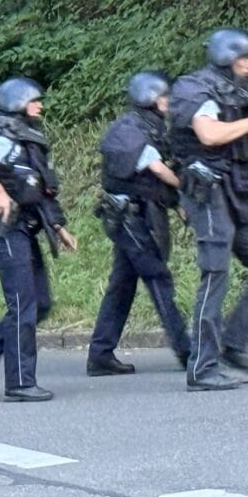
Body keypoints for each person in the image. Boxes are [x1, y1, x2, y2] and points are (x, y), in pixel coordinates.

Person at [168, 29, 248, 391]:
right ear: (227, 57)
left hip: (235, 194)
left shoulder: (238, 95)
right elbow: (209, 135)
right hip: (207, 192)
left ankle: (232, 345)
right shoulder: (195, 89)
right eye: (246, 58)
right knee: (215, 273)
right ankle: (202, 367)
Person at [0, 77, 78, 402]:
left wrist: (59, 227)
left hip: (26, 229)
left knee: (41, 303)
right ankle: (20, 383)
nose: (40, 105)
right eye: (34, 100)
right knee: (23, 305)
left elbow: (40, 189)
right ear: (17, 102)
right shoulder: (1, 136)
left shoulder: (27, 139)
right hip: (7, 230)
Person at [87, 71, 191, 376]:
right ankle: (187, 352)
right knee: (158, 278)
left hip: (135, 217)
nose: (170, 102)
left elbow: (148, 182)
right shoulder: (129, 130)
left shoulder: (148, 126)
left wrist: (176, 202)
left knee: (121, 286)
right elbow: (157, 170)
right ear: (152, 98)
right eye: (166, 97)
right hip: (130, 218)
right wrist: (185, 188)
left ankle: (100, 355)